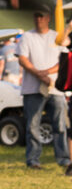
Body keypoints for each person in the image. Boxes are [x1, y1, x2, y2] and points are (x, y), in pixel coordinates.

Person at [17, 10, 71, 172]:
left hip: (55, 87)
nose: (39, 19)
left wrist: (47, 73)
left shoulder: (57, 36)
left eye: (42, 16)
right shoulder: (27, 37)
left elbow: (64, 58)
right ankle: (33, 160)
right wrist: (39, 74)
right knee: (32, 125)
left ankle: (63, 158)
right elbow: (22, 59)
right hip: (32, 88)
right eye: (36, 16)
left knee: (60, 125)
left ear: (48, 18)